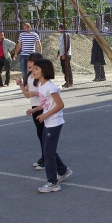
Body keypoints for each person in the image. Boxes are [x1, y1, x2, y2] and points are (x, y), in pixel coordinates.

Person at [27, 58, 72, 192]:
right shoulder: (41, 85)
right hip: (48, 122)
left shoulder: (50, 87)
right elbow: (45, 103)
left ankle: (53, 183)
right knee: (49, 150)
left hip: (54, 122)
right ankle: (63, 171)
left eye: (36, 69)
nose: (33, 71)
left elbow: (60, 104)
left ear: (44, 71)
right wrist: (35, 109)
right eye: (33, 68)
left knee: (48, 153)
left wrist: (45, 115)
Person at [16, 52, 45, 170]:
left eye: (31, 62)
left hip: (43, 108)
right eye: (28, 61)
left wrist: (34, 93)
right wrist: (21, 85)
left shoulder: (41, 77)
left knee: (44, 134)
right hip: (34, 109)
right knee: (40, 134)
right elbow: (27, 95)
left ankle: (46, 159)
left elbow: (45, 94)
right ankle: (44, 156)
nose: (28, 63)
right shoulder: (29, 77)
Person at [57, 24, 73, 88]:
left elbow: (67, 45)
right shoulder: (61, 35)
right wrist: (58, 53)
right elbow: (61, 46)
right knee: (64, 68)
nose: (58, 29)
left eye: (59, 28)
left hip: (66, 54)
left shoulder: (66, 35)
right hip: (62, 54)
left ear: (61, 28)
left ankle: (70, 82)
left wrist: (65, 54)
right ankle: (67, 81)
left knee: (67, 68)